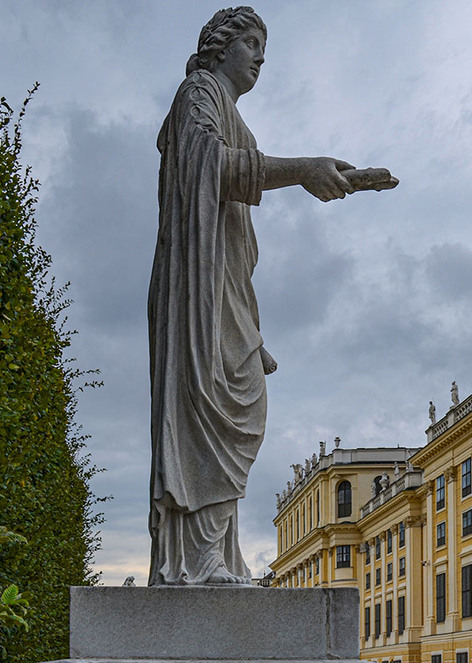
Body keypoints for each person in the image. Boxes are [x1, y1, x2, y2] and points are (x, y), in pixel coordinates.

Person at [147, 6, 395, 585]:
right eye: (252, 43)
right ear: (219, 46)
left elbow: (237, 217)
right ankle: (197, 558)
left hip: (225, 291)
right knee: (207, 407)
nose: (261, 57)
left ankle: (215, 553)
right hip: (196, 292)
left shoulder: (233, 116)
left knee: (241, 403)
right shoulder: (197, 95)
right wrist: (303, 167)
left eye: (264, 47)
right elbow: (211, 166)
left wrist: (252, 335)